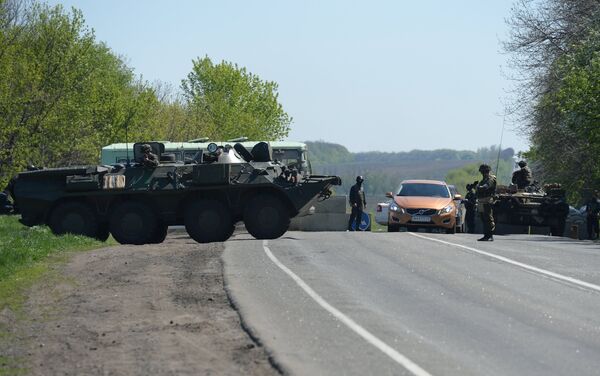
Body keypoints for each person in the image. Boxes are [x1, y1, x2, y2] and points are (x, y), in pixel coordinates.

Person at [476, 164, 496, 241]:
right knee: (483, 218)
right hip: (482, 201)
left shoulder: (491, 179)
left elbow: (486, 186)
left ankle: (490, 235)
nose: (482, 173)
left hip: (487, 201)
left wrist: (479, 187)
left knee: (488, 218)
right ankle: (486, 235)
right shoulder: (483, 179)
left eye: (483, 172)